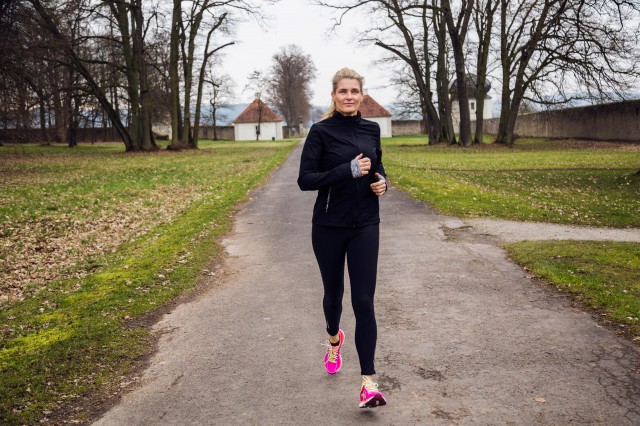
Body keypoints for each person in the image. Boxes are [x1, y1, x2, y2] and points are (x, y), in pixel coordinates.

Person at [297, 67, 388, 408]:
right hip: (328, 227)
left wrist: (382, 183)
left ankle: (368, 384)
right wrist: (345, 171)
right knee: (333, 296)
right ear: (333, 96)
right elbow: (306, 180)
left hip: (366, 224)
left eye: (354, 91)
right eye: (343, 91)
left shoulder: (372, 128)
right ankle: (334, 339)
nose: (349, 96)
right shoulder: (320, 132)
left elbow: (378, 167)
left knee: (364, 302)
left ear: (361, 95)